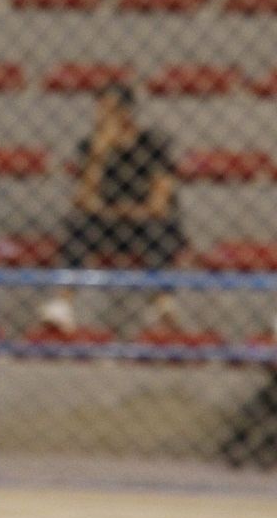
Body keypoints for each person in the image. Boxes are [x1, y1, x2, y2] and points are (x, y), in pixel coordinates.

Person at [39, 83, 186, 332]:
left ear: (125, 113)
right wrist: (98, 155)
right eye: (100, 109)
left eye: (107, 110)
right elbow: (83, 200)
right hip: (106, 226)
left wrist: (112, 209)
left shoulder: (152, 143)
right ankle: (62, 304)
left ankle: (163, 304)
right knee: (77, 224)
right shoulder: (91, 146)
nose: (100, 116)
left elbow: (159, 204)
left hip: (144, 224)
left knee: (159, 228)